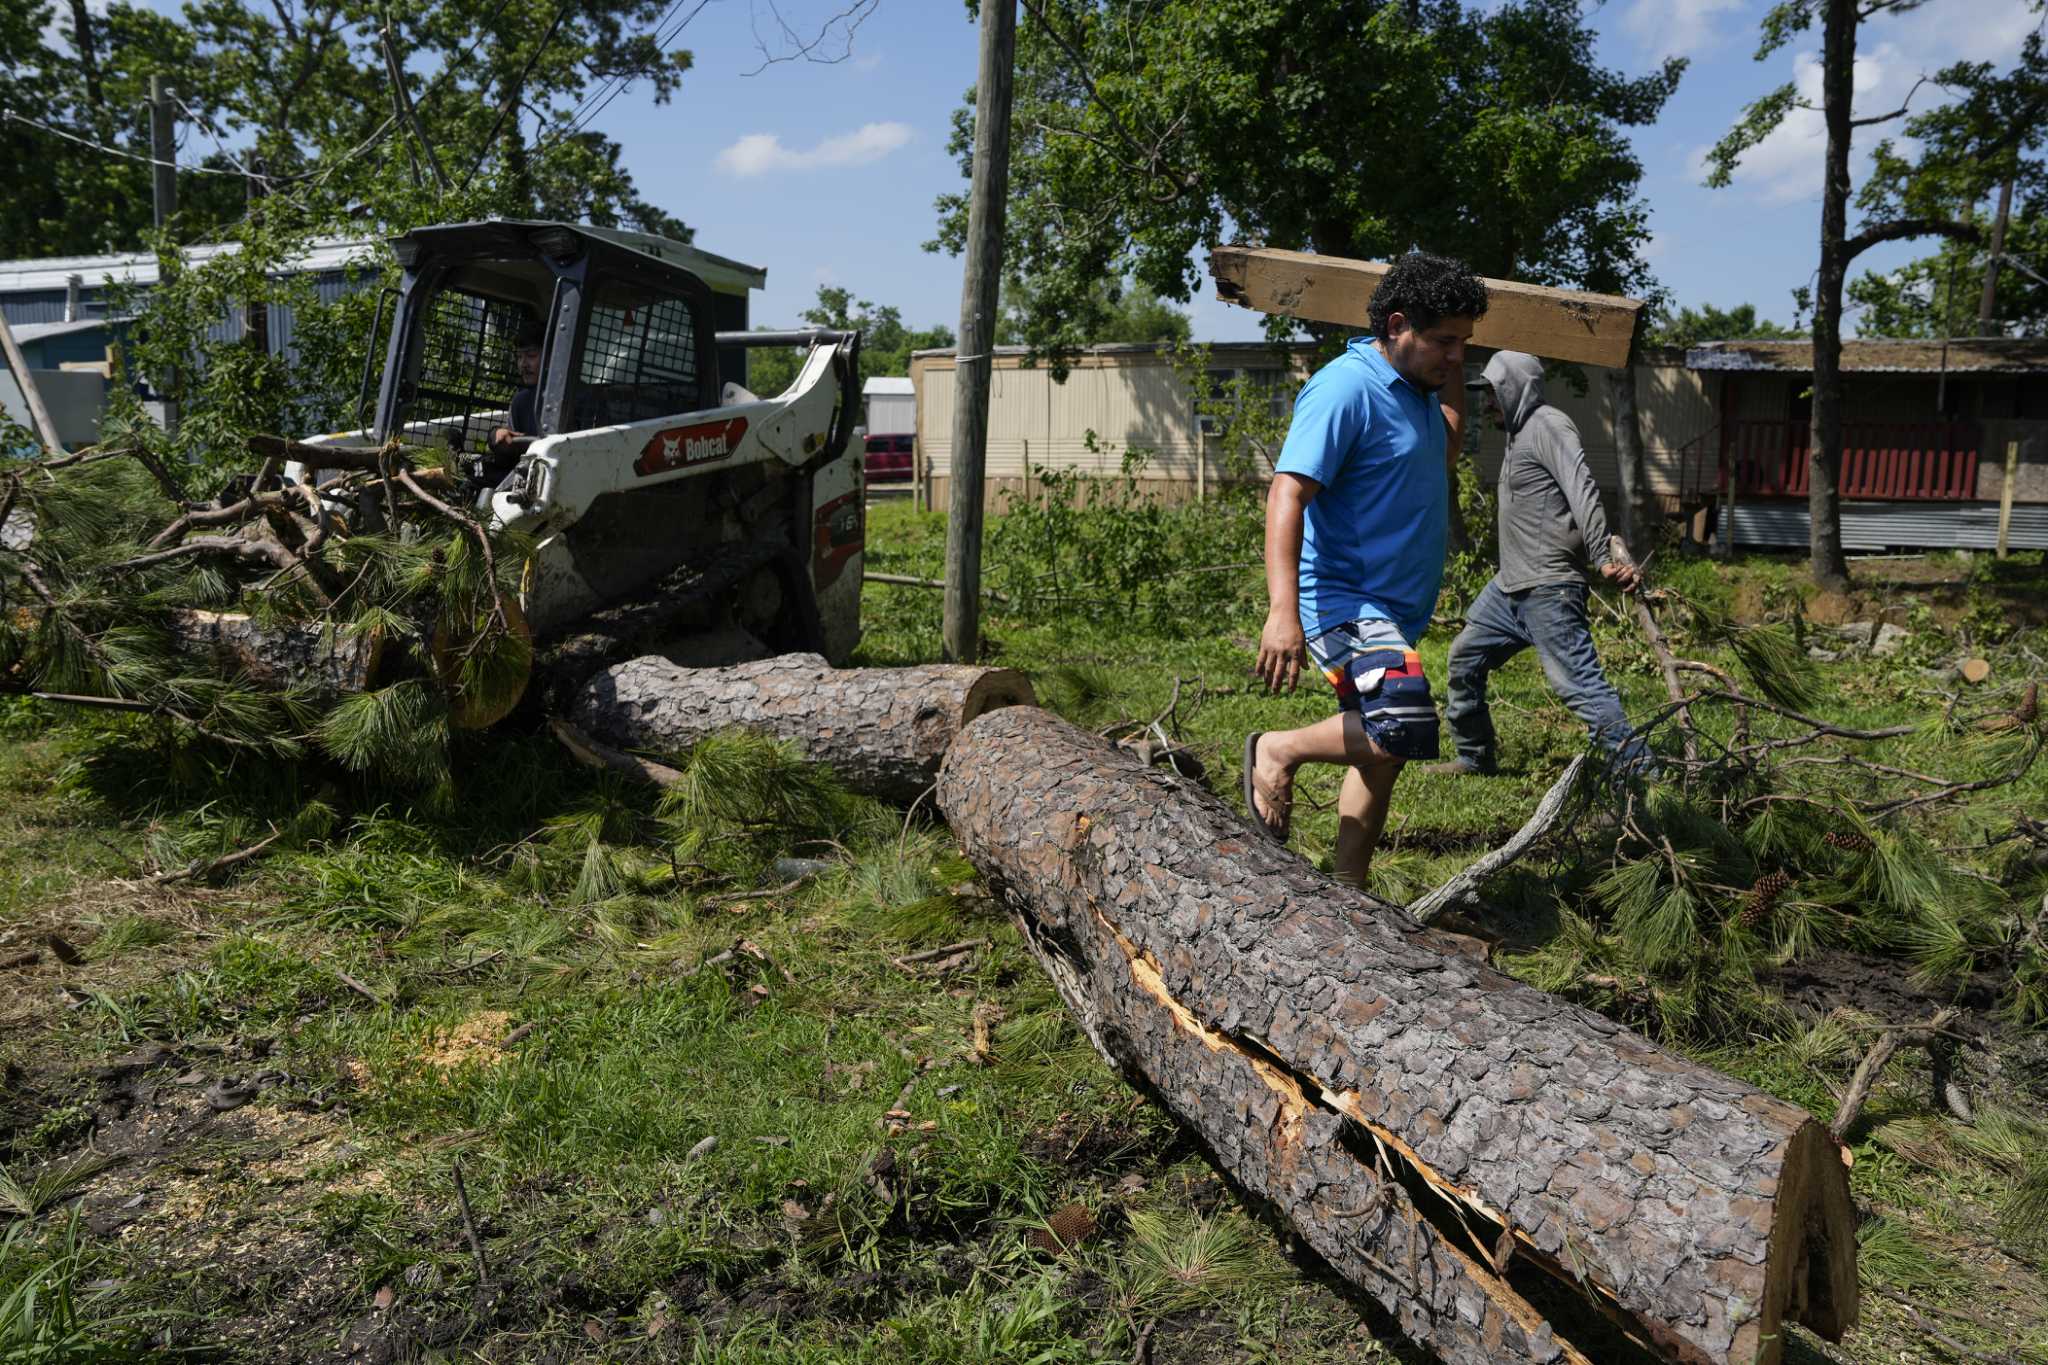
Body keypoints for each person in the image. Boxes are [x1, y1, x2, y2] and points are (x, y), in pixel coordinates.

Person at [1242, 252, 1488, 889]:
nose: (1456, 356)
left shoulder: (1418, 392)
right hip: (1342, 597)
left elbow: (1447, 446)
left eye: (1465, 343)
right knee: (1403, 722)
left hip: (1395, 608)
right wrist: (1282, 610)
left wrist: (1449, 369)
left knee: (1383, 753)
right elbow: (1287, 493)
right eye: (1443, 341)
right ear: (1398, 325)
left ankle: (1347, 891)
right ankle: (1278, 748)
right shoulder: (1346, 388)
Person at [1428, 350, 1646, 778]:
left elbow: (1583, 487)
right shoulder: (1516, 434)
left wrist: (1601, 556)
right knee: (1464, 659)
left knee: (1580, 686)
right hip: (1510, 586)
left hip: (1549, 586)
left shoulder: (1548, 424)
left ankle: (1642, 780)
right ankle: (1475, 757)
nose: (1487, 403)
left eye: (1493, 394)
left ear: (1515, 388)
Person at [488, 319, 545, 461]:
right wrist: (496, 434)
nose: (523, 364)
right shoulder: (521, 401)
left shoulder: (582, 398)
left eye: (531, 356)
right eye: (519, 357)